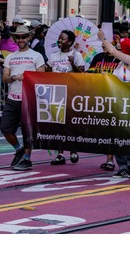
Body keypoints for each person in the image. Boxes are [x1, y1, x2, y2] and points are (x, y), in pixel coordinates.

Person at [2, 25, 46, 170]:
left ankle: (27, 159)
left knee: (28, 130)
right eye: (18, 37)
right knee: (5, 129)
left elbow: (41, 77)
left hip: (29, 98)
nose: (21, 40)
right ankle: (19, 149)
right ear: (15, 39)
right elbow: (5, 78)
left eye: (23, 37)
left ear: (28, 38)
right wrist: (14, 77)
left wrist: (28, 78)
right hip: (12, 99)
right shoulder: (10, 57)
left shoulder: (36, 56)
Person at [98, 29, 130, 178]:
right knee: (116, 137)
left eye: (120, 47)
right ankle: (122, 165)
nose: (117, 49)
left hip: (127, 105)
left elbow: (112, 51)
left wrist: (103, 38)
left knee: (126, 137)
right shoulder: (121, 64)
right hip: (116, 103)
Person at [46, 30, 85, 165]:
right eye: (59, 38)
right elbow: (47, 72)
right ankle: (60, 154)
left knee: (70, 124)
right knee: (58, 125)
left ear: (70, 42)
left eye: (62, 39)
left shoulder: (76, 55)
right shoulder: (53, 56)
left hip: (71, 94)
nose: (60, 41)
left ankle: (73, 150)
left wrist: (73, 64)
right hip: (56, 94)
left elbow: (82, 75)